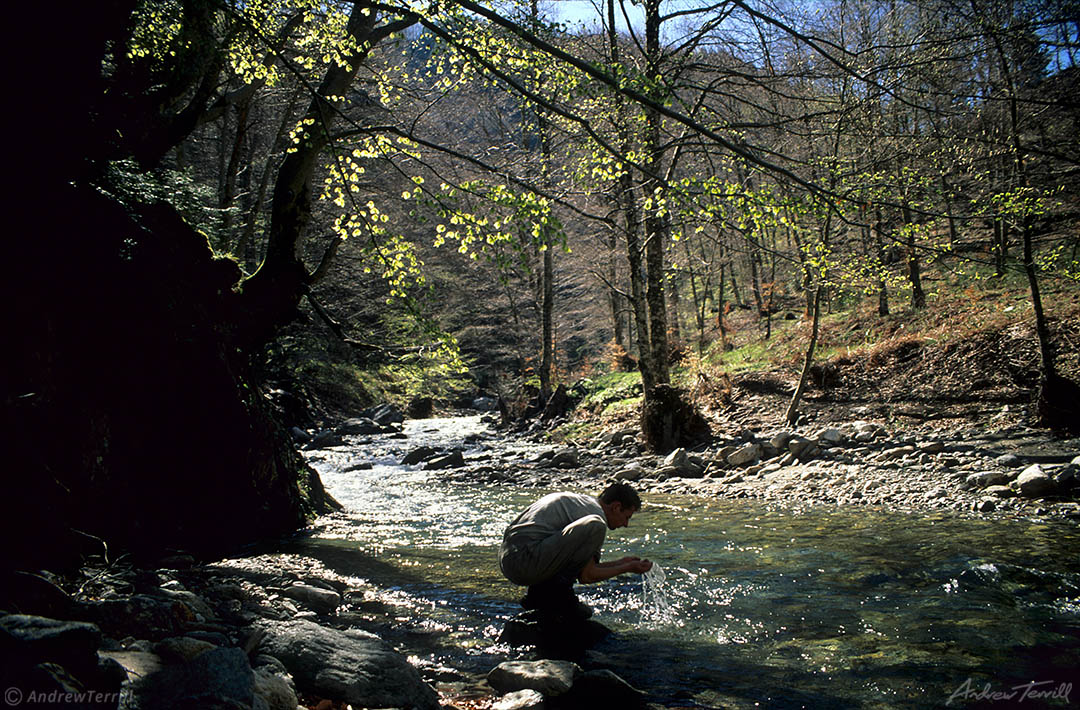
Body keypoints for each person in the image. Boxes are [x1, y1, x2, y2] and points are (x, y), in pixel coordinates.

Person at [498, 482, 653, 619]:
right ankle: (557, 597)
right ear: (616, 507)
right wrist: (628, 568)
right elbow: (587, 576)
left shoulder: (581, 503)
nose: (626, 524)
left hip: (510, 558)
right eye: (627, 517)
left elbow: (583, 568)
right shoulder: (595, 516)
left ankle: (539, 595)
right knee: (595, 524)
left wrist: (620, 563)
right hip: (524, 562)